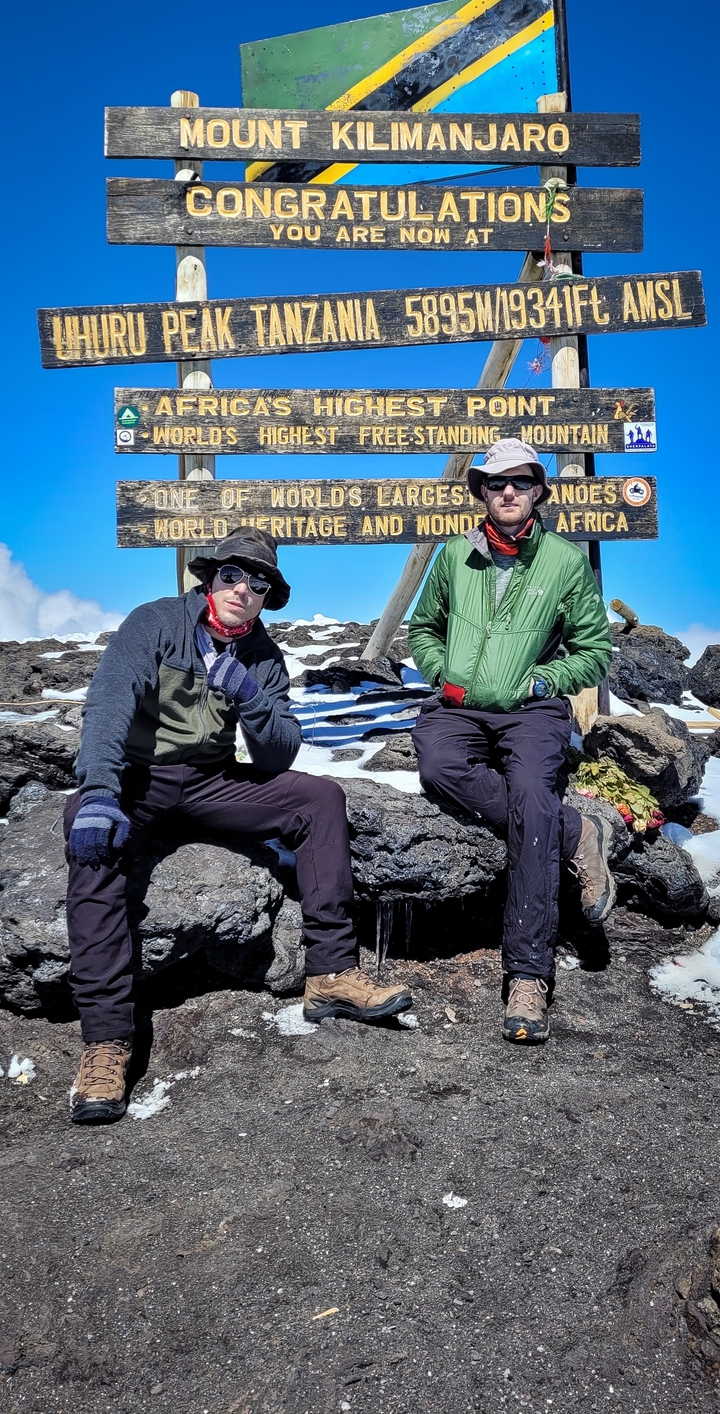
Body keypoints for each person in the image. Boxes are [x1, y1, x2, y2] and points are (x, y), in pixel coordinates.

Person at [64, 528, 410, 1123]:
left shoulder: (264, 656)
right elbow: (109, 703)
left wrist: (249, 695)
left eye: (259, 583)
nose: (242, 590)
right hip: (137, 780)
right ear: (209, 578)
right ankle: (105, 1043)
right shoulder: (156, 623)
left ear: (268, 595)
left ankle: (330, 974)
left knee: (319, 799)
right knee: (93, 847)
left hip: (208, 781)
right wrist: (98, 790)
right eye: (232, 575)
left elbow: (279, 755)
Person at [408, 440, 613, 1045]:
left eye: (520, 483)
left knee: (529, 795)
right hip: (461, 704)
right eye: (496, 483)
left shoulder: (563, 562)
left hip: (532, 709)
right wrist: (441, 672)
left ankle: (527, 974)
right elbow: (424, 627)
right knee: (439, 767)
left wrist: (544, 679)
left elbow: (594, 650)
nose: (507, 492)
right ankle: (574, 831)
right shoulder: (454, 557)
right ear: (480, 492)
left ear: (537, 493)